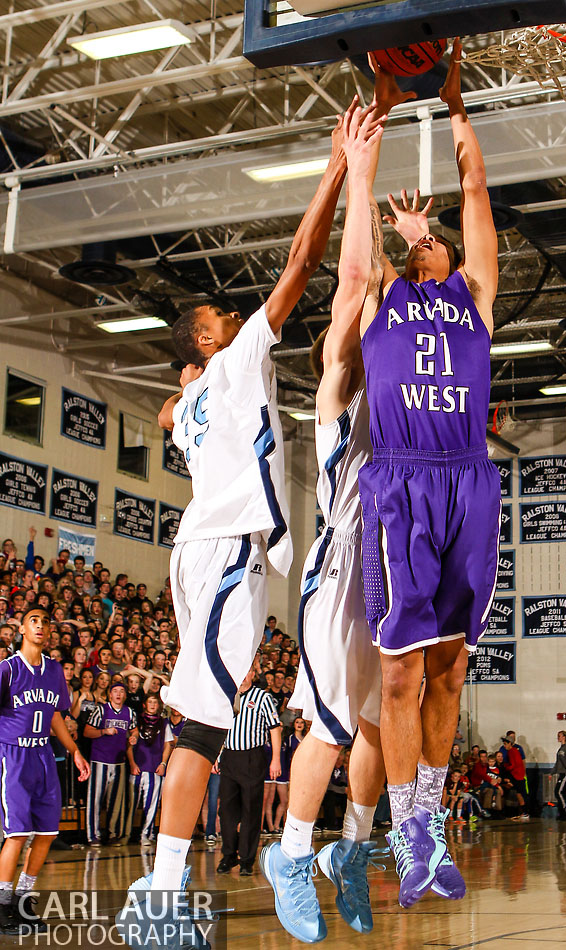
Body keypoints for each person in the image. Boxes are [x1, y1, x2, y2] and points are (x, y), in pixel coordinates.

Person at [116, 107, 350, 950]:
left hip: (206, 550)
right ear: (209, 339)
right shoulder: (234, 358)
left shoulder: (188, 403)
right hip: (221, 556)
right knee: (204, 727)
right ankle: (164, 887)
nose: (233, 316)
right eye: (219, 317)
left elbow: (172, 400)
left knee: (201, 723)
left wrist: (182, 382)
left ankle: (163, 876)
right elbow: (300, 263)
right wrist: (333, 170)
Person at [356, 39, 501, 908]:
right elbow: (358, 249)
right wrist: (377, 108)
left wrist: (452, 106)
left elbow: (477, 191)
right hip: (401, 479)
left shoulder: (473, 297)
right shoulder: (385, 293)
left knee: (448, 669)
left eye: (435, 238)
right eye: (421, 241)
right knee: (401, 673)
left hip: (468, 481)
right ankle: (405, 832)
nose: (431, 243)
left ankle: (431, 822)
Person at [261, 78, 402, 944]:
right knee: (328, 719)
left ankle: (349, 848)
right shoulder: (341, 372)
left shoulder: (407, 383)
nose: (379, 297)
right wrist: (359, 170)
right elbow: (355, 272)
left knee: (381, 720)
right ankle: (289, 850)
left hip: (392, 563)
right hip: (341, 561)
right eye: (375, 295)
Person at [0, 607, 89, 935]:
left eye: (45, 621)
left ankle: (22, 901)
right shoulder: (7, 670)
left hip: (43, 754)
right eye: (33, 620)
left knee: (48, 832)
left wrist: (75, 751)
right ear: (22, 629)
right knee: (18, 833)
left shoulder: (53, 671)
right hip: (13, 755)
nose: (40, 625)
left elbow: (54, 716)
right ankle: (2, 905)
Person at [217, 664, 282, 876]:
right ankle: (228, 855)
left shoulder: (262, 697)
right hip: (229, 756)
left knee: (251, 811)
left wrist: (276, 760)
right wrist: (217, 756)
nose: (244, 677)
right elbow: (220, 727)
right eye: (240, 673)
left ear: (253, 674)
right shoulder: (227, 695)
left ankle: (246, 859)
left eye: (247, 673)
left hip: (252, 757)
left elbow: (274, 728)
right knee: (226, 811)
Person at [84, 682, 138, 845]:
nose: (118, 694)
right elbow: (87, 732)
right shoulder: (101, 710)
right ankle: (92, 835)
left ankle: (113, 833)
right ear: (110, 694)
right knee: (95, 799)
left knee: (115, 801)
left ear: (125, 695)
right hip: (100, 760)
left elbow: (134, 730)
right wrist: (103, 731)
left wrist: (133, 736)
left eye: (122, 691)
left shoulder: (130, 712)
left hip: (119, 762)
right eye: (115, 691)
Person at [126, 696, 173, 845]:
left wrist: (163, 763)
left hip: (154, 768)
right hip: (138, 767)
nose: (153, 705)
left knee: (151, 805)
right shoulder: (136, 720)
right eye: (150, 702)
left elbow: (167, 745)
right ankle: (125, 834)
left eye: (155, 702)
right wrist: (132, 763)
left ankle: (146, 834)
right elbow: (129, 743)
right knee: (131, 804)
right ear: (144, 704)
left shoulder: (163, 722)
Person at [552, 731, 566, 821]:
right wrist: (552, 772)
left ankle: (564, 811)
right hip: (561, 772)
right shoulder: (561, 748)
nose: (558, 737)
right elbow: (558, 762)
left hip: (565, 773)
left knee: (558, 792)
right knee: (564, 793)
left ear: (564, 737)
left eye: (559, 736)